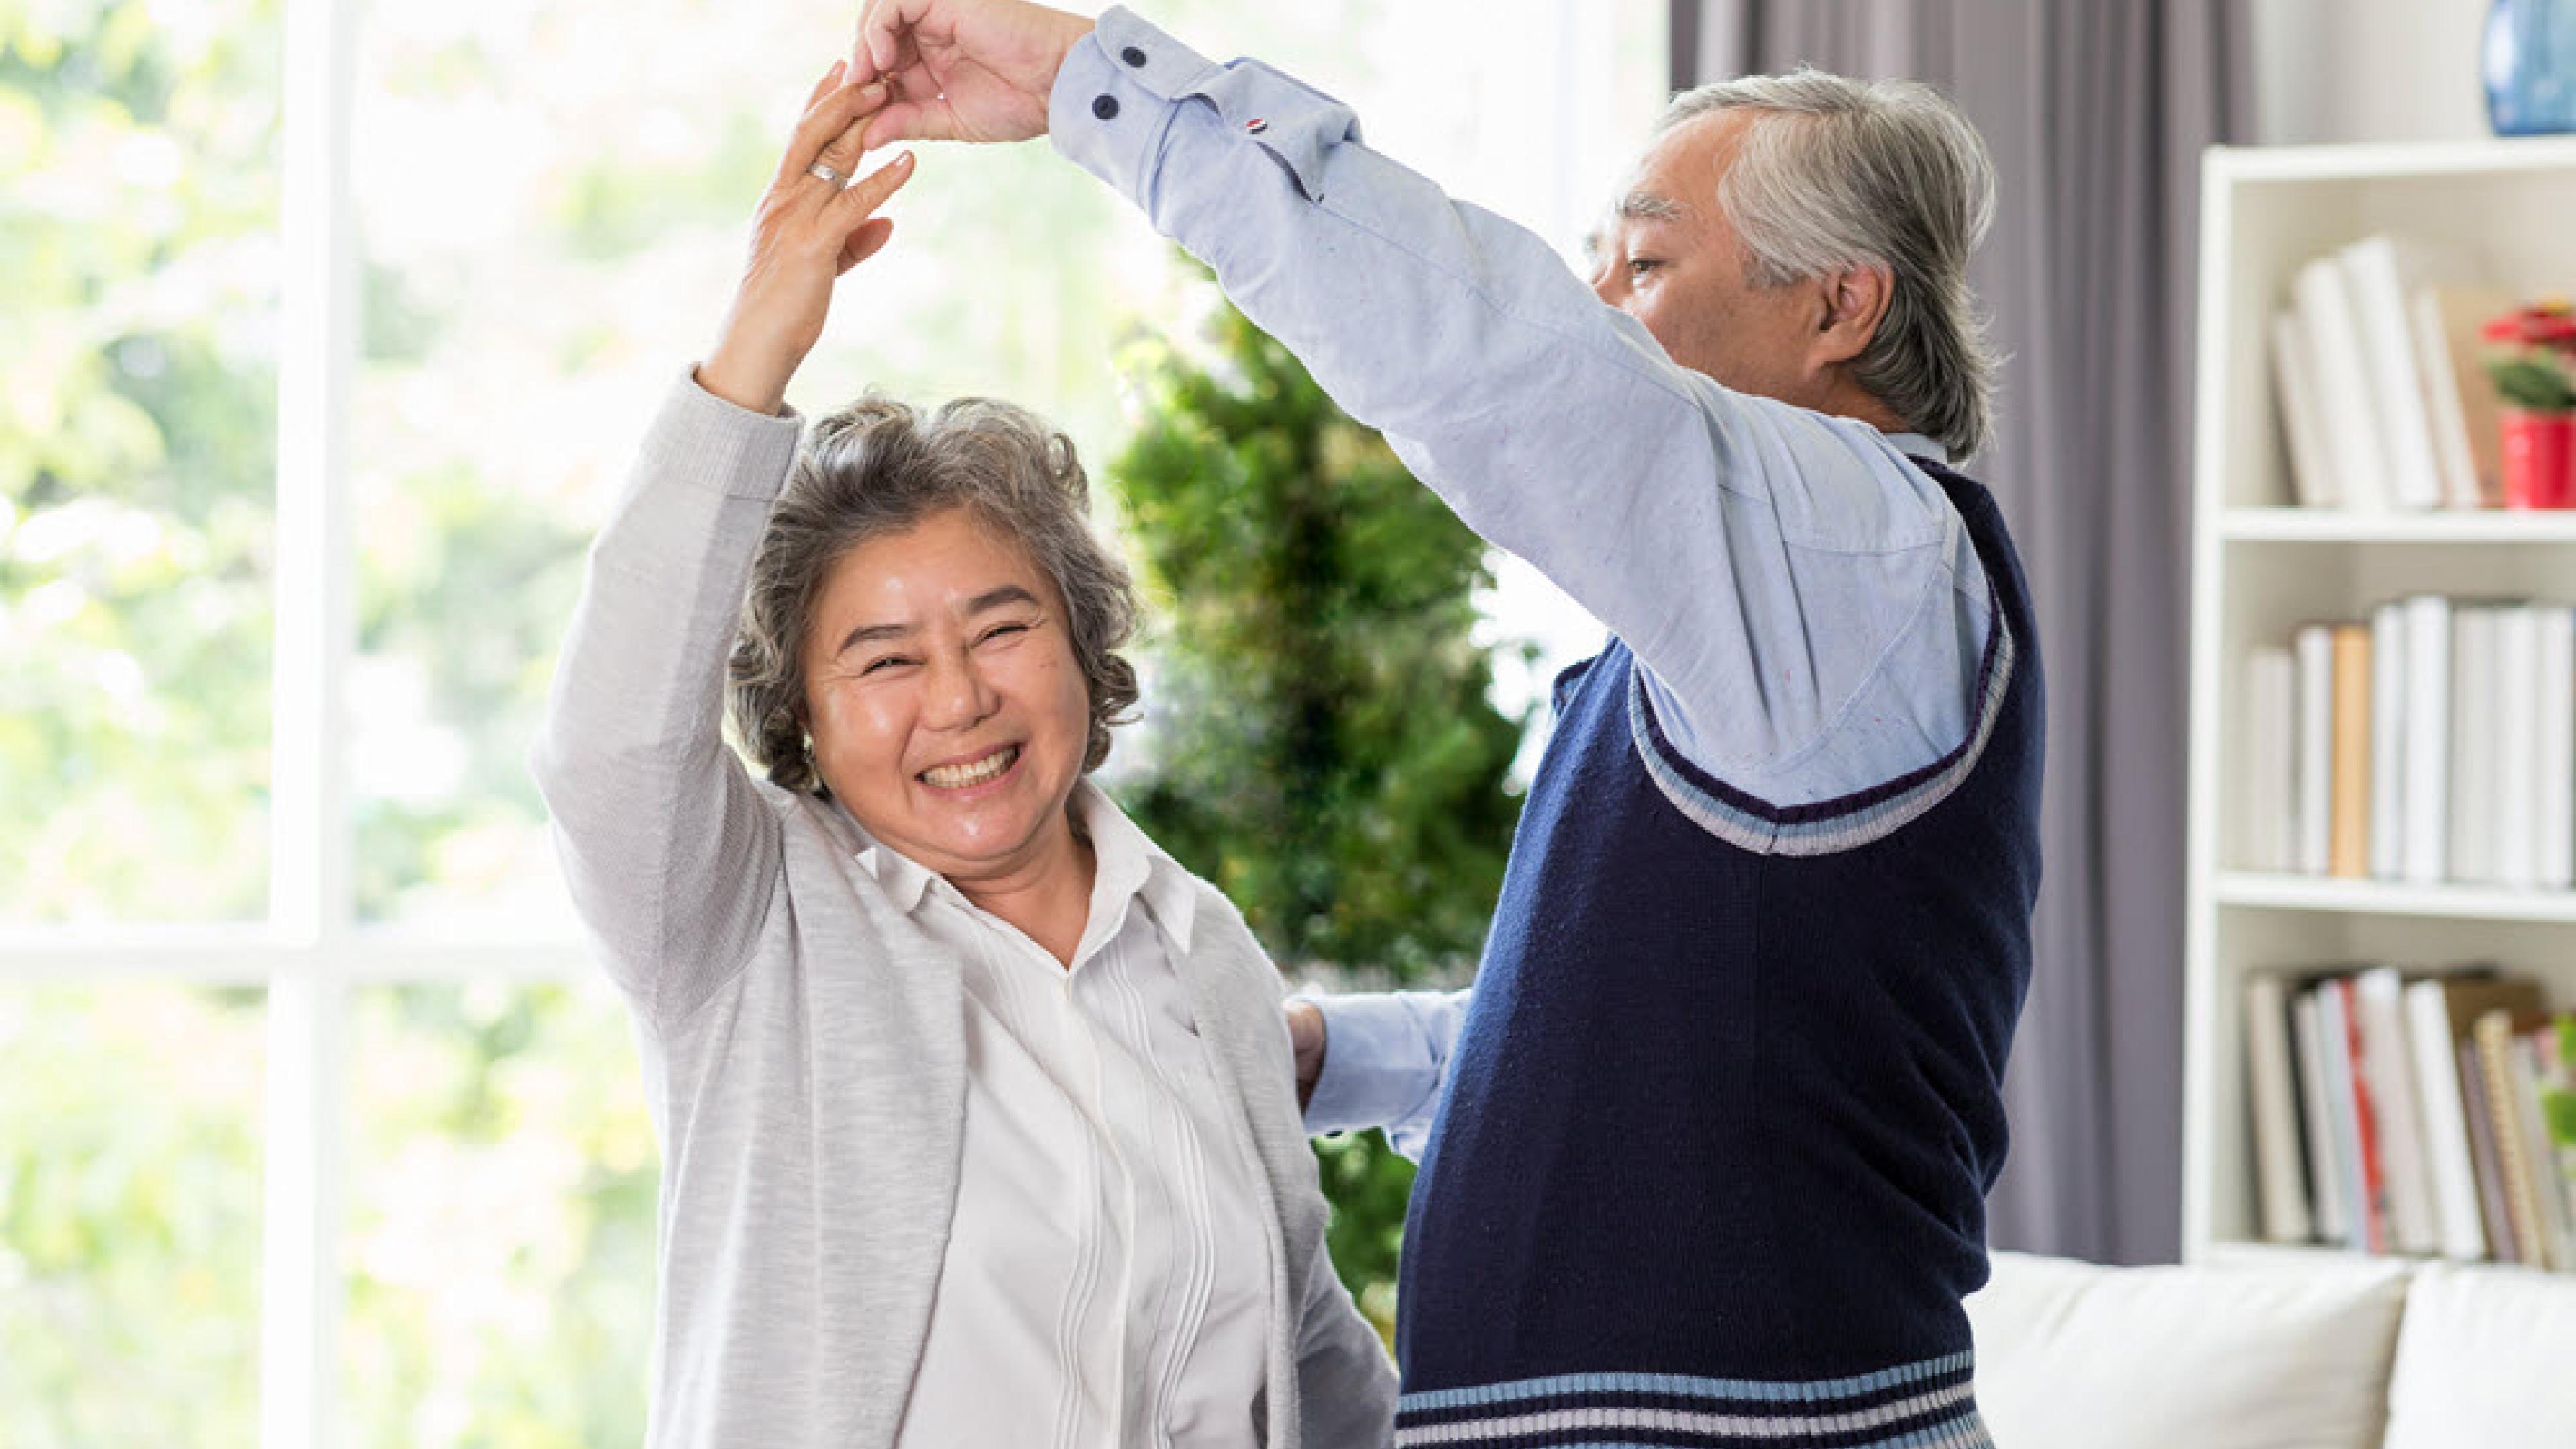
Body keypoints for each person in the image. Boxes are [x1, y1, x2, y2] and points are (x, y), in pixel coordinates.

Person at [845, 4, 2046, 1446]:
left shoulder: (1861, 565)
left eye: (1647, 261)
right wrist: (1334, 1060)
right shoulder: (1774, 638)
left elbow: (1500, 358)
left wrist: (1093, 86)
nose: (1600, 302)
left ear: (1839, 308)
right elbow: (1681, 1062)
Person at [530, 64, 1395, 1449]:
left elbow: (1306, 1348)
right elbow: (608, 751)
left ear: (1080, 642)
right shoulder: (751, 927)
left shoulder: (1199, 949)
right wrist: (756, 343)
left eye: (1002, 627)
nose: (958, 699)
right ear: (801, 711)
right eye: (881, 660)